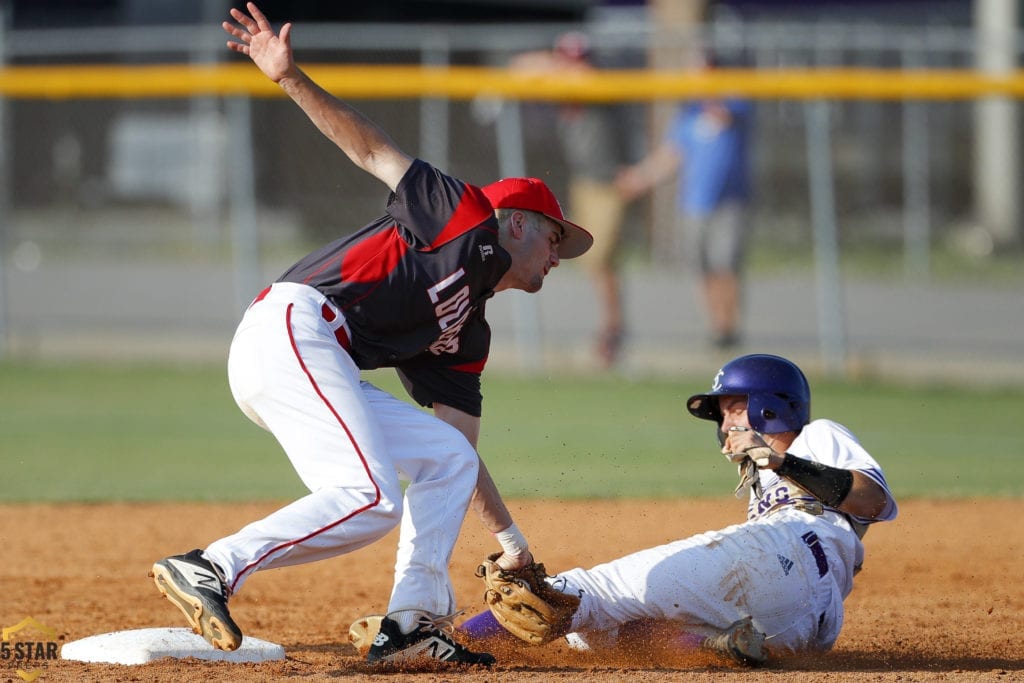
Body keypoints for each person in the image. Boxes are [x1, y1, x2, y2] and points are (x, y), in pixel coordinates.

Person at [149, 2, 592, 668]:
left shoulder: (467, 333)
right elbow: (368, 149)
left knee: (444, 458)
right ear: (519, 222)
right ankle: (212, 565)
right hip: (294, 326)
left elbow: (459, 457)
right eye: (557, 236)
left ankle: (411, 622)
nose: (560, 254)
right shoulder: (463, 215)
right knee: (371, 496)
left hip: (314, 356)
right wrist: (289, 77)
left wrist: (512, 543)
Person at [462, 353, 897, 666]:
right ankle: (716, 648)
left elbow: (873, 500)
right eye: (722, 414)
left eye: (735, 406)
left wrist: (779, 460)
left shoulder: (816, 436)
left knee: (574, 595)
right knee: (598, 633)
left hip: (793, 548)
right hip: (803, 627)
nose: (726, 424)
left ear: (773, 404)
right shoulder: (761, 483)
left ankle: (449, 643)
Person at [511, 32, 637, 369]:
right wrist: (557, 65)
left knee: (600, 258)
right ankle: (610, 330)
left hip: (610, 182)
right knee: (593, 263)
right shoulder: (562, 79)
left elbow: (587, 78)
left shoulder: (597, 82)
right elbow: (517, 66)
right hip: (585, 182)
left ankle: (613, 332)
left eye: (579, 59)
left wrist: (564, 69)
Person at [616, 56, 753, 350]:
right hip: (694, 203)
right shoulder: (687, 115)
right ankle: (716, 326)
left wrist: (710, 92)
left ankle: (730, 325)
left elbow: (723, 116)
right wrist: (640, 178)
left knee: (726, 264)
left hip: (729, 201)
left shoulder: (736, 101)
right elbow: (671, 155)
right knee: (702, 268)